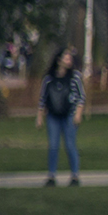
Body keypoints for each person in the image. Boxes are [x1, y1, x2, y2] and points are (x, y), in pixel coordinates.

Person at [36, 46, 84, 186]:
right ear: (59, 60)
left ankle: (75, 176)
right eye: (66, 58)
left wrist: (78, 114)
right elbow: (43, 99)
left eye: (70, 58)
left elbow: (81, 97)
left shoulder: (74, 77)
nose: (69, 60)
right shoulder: (49, 79)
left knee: (70, 145)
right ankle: (51, 175)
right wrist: (39, 117)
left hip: (69, 115)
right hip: (53, 116)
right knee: (53, 145)